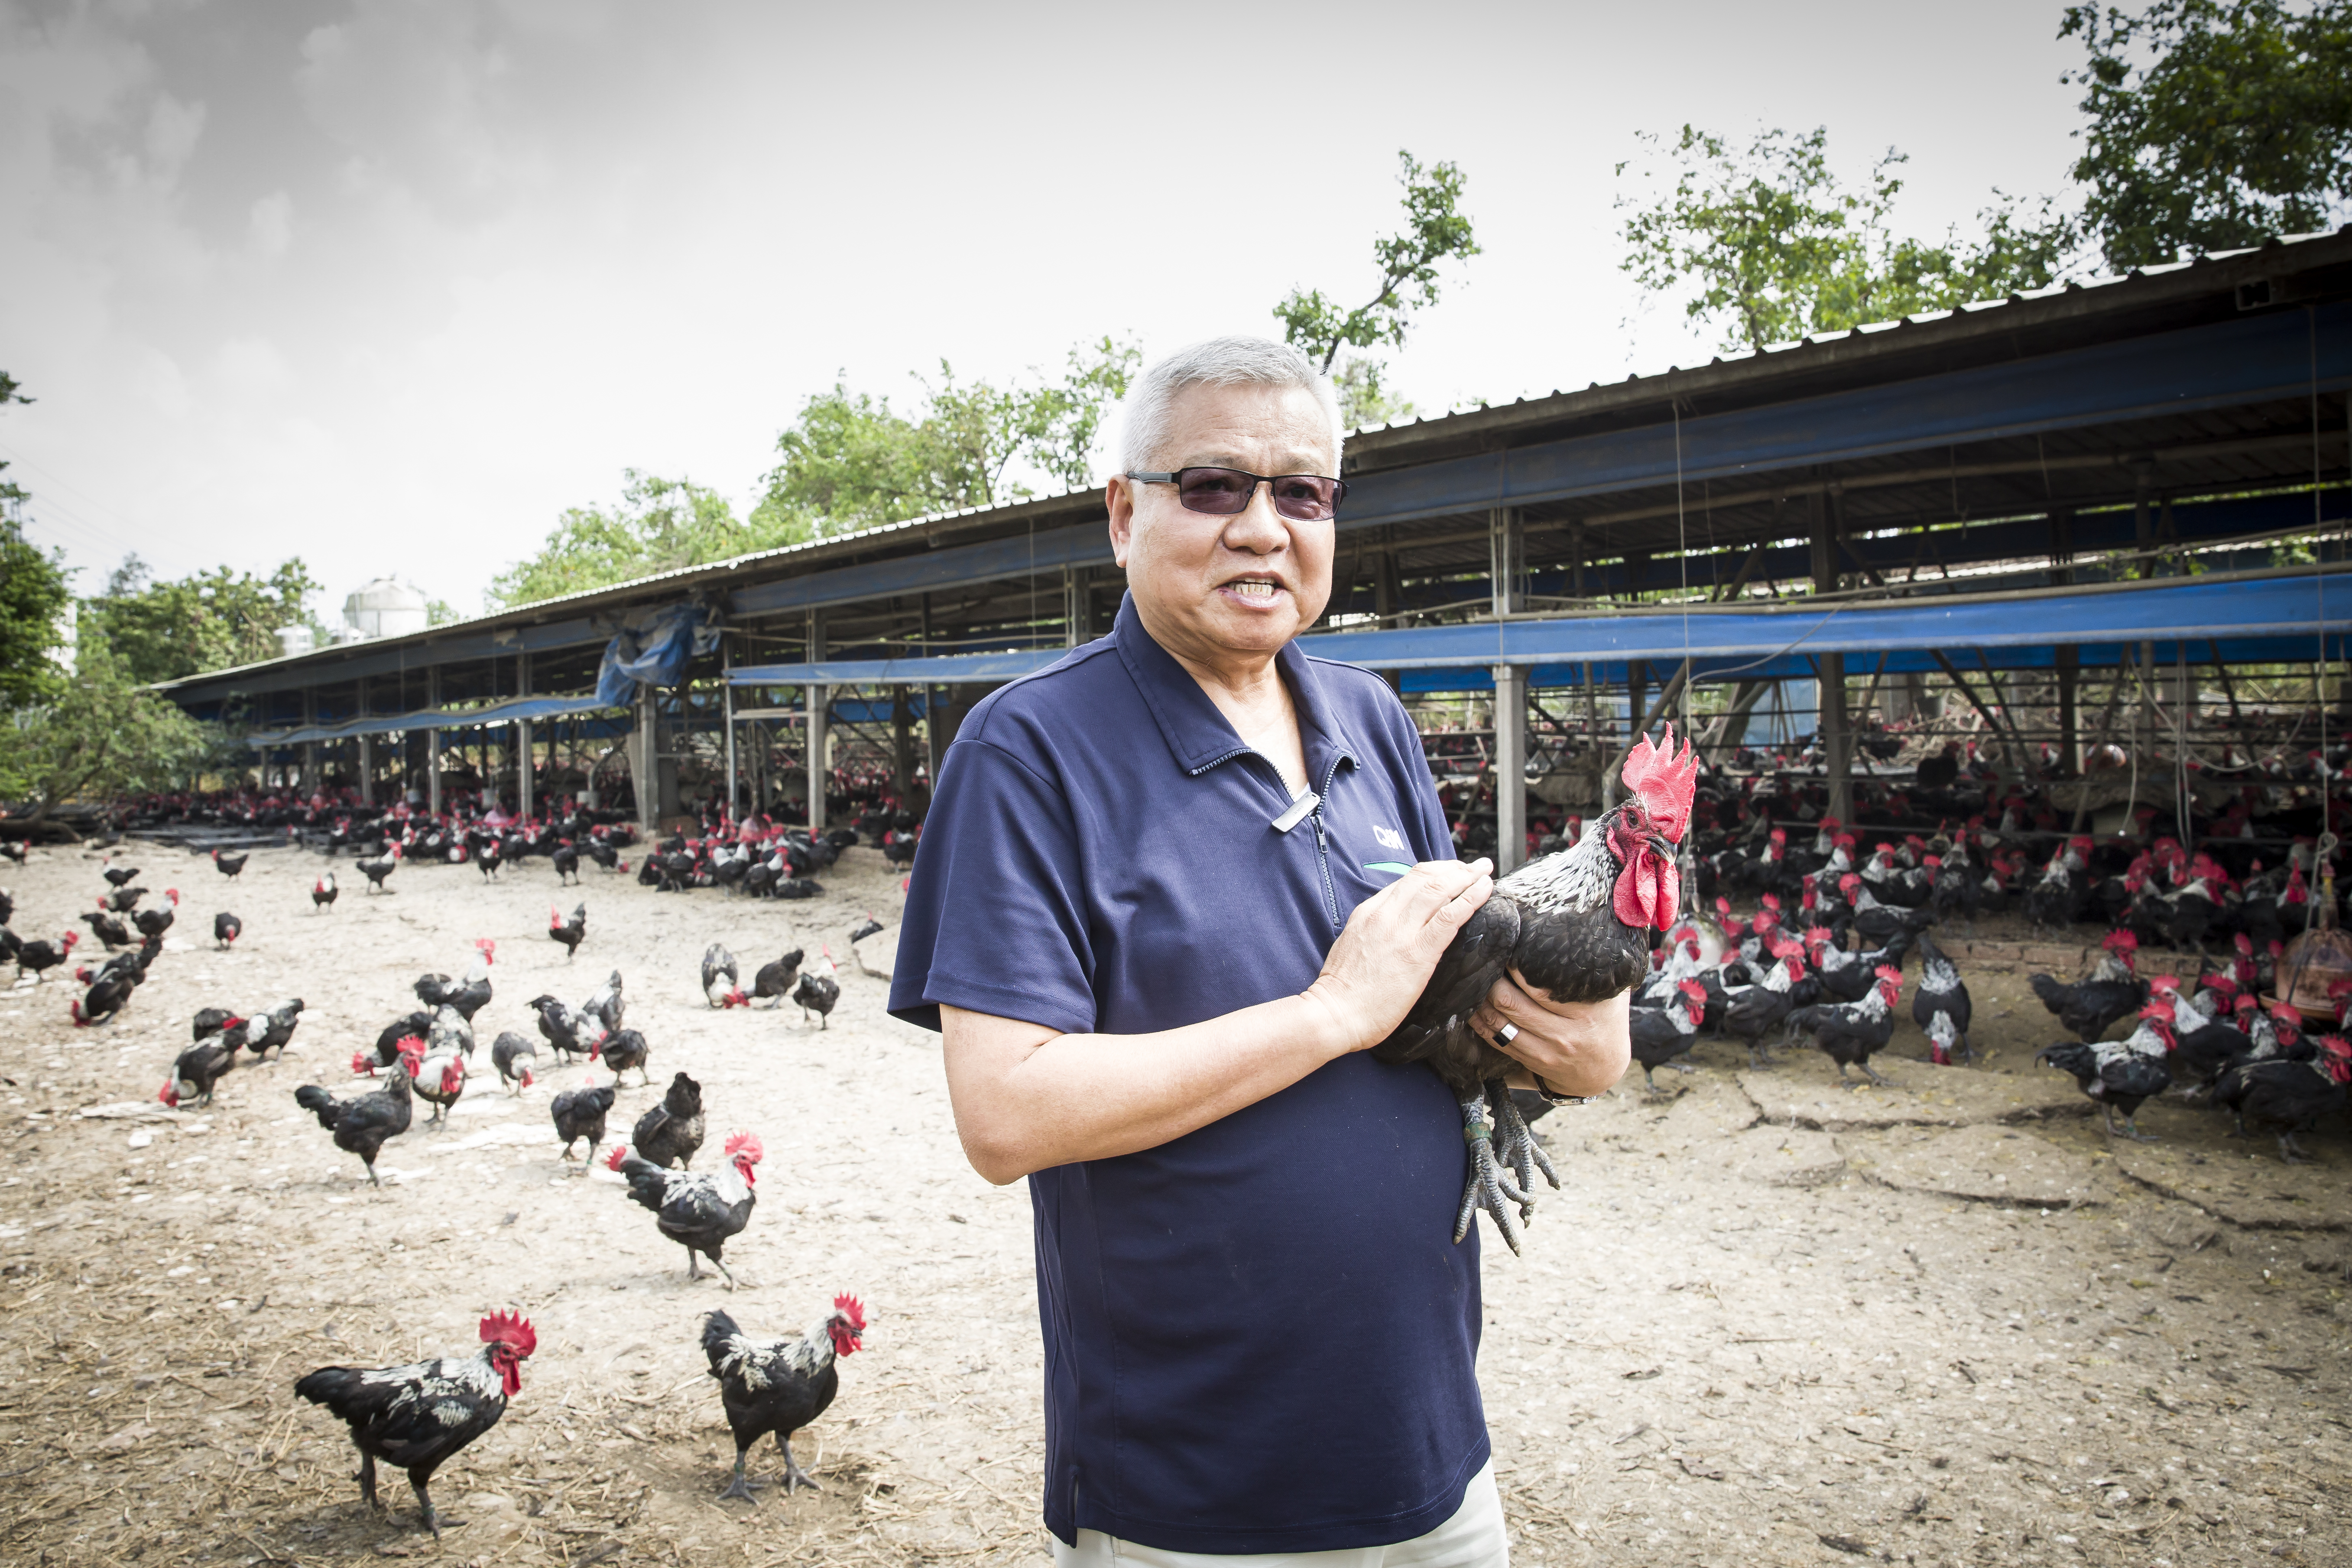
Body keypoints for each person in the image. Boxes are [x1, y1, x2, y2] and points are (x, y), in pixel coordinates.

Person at [890, 337, 1631, 1565]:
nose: (1262, 525)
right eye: (1215, 485)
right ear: (1125, 513)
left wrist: (1570, 1047)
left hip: (1434, 1459)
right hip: (1197, 1496)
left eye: (1302, 493)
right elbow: (1005, 1114)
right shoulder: (1026, 751)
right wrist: (1327, 1012)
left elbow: (1446, 1007)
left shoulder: (1373, 719)